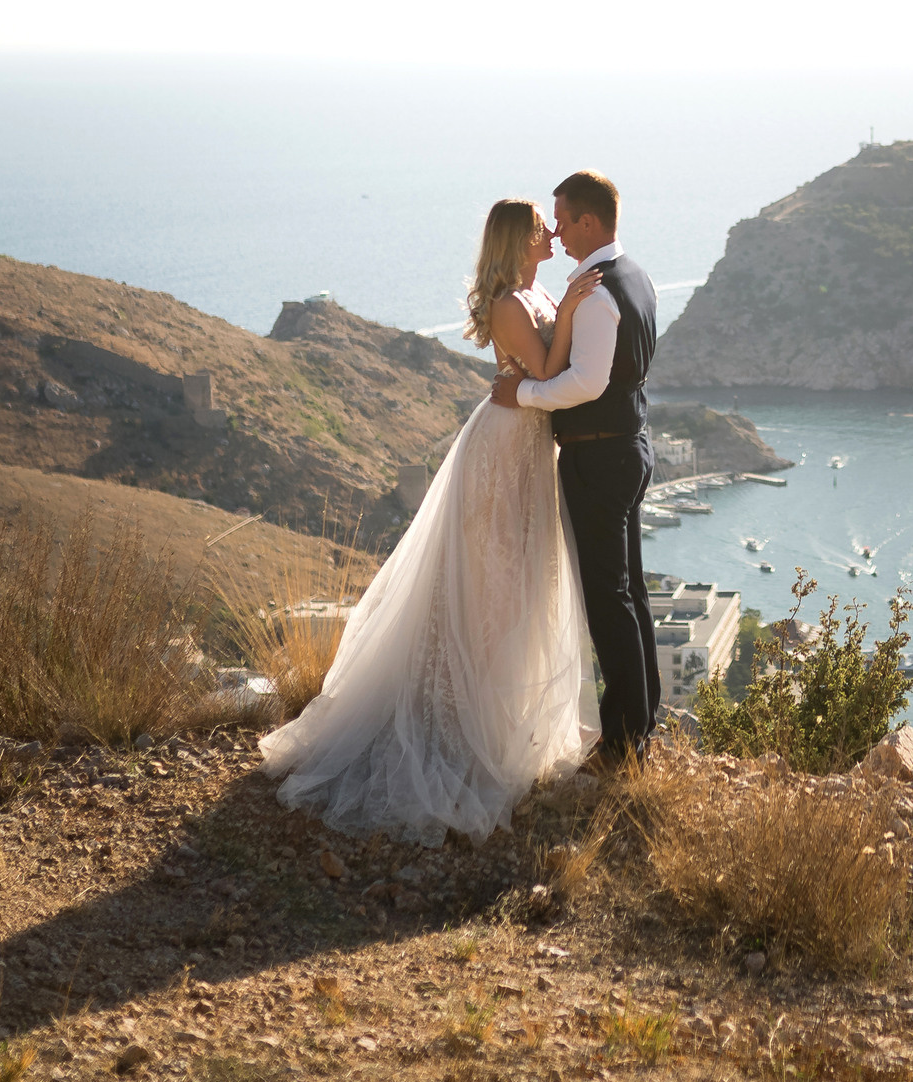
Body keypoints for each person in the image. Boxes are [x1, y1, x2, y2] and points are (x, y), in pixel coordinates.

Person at [260, 198, 603, 843]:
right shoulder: (509, 302)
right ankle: (471, 731)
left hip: (527, 445)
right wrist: (579, 307)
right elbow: (547, 371)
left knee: (522, 586)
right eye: (539, 229)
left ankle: (508, 723)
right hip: (503, 452)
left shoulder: (534, 295)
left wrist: (572, 306)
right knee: (495, 590)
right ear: (516, 240)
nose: (551, 234)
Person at [491, 169, 661, 761]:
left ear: (589, 221)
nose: (556, 230)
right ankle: (643, 720)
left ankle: (624, 741)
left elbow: (585, 382)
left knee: (607, 597)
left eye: (562, 219)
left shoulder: (599, 292)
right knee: (630, 591)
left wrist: (526, 397)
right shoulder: (634, 277)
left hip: (598, 455)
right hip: (630, 446)